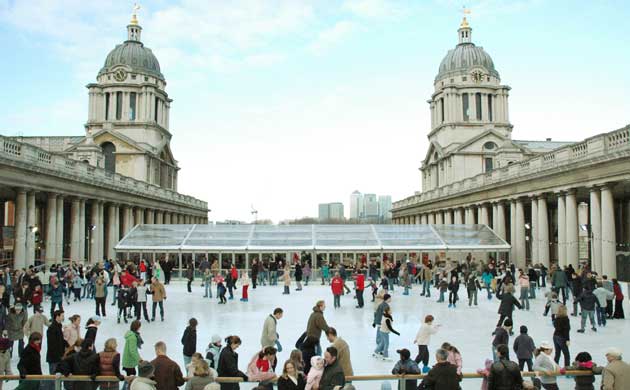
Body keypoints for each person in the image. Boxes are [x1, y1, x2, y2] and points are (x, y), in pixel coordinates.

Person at [372, 293, 391, 360]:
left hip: (380, 322)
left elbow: (376, 313)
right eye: (390, 298)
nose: (391, 299)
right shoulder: (385, 305)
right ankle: (380, 350)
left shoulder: (382, 304)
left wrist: (374, 321)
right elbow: (385, 315)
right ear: (387, 299)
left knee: (381, 337)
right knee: (383, 338)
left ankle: (379, 350)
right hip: (381, 322)